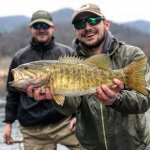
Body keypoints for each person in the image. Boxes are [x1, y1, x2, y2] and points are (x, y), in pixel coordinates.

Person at [26, 4, 150, 150]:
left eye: (93, 20)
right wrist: (54, 96)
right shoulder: (71, 61)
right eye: (80, 24)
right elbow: (70, 106)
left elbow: (145, 99)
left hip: (134, 146)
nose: (87, 27)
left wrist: (117, 100)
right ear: (75, 31)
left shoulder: (132, 55)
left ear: (106, 24)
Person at [3, 10, 79, 150]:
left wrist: (77, 116)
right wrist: (8, 123)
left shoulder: (67, 53)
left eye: (45, 26)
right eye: (37, 26)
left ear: (52, 27)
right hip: (33, 129)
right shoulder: (19, 58)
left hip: (64, 123)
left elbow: (79, 88)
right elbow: (12, 94)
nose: (41, 30)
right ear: (30, 28)